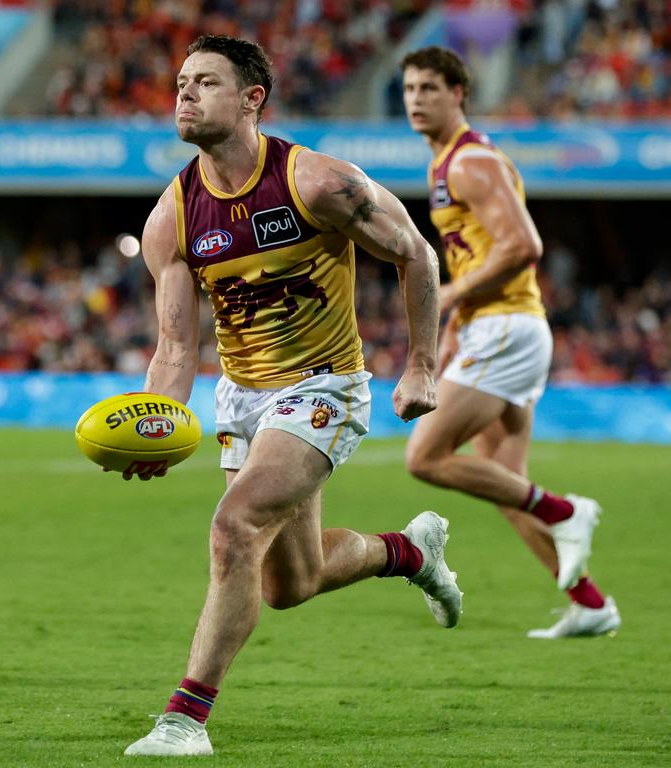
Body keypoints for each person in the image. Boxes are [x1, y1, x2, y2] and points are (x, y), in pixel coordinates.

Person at [122, 34, 461, 756]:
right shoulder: (171, 218)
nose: (184, 93)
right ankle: (410, 553)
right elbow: (177, 347)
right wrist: (156, 421)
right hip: (242, 398)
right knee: (289, 582)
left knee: (233, 527)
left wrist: (423, 365)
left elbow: (415, 254)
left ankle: (184, 719)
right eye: (181, 82)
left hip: (325, 388)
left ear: (252, 100)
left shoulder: (319, 183)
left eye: (205, 83)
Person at [399, 46, 621, 639]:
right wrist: (453, 328)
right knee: (504, 483)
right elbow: (480, 248)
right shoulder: (446, 164)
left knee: (425, 457)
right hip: (497, 325)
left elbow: (524, 245)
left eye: (429, 89)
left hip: (507, 326)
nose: (417, 100)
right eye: (410, 89)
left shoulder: (471, 163)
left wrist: (448, 297)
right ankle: (590, 602)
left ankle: (566, 510)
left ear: (458, 94)